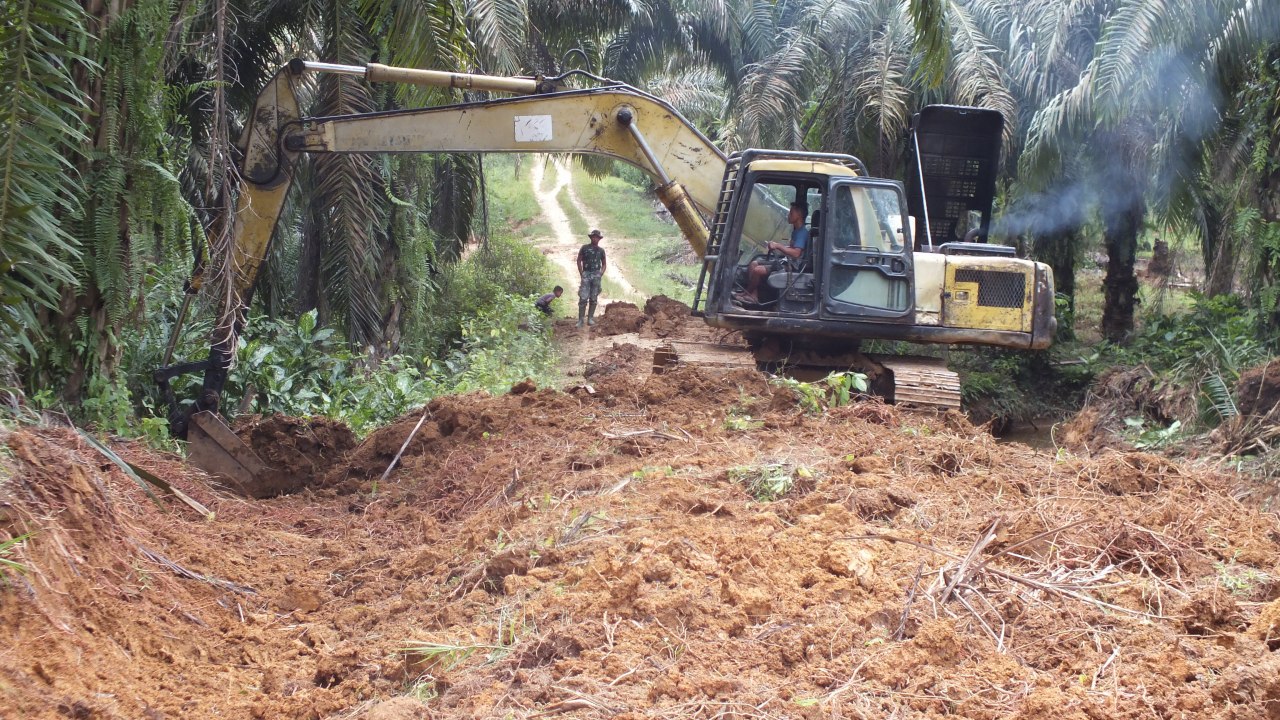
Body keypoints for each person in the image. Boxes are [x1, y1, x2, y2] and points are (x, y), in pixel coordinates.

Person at [736, 201, 809, 305]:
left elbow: (796, 253)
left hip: (791, 266)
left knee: (757, 270)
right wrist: (777, 246)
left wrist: (778, 246)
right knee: (753, 264)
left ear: (799, 214)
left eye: (791, 213)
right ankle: (752, 295)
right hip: (786, 262)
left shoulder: (802, 232)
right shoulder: (796, 231)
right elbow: (795, 248)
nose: (788, 215)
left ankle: (747, 293)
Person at [576, 229, 607, 327]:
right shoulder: (584, 248)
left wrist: (600, 274)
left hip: (596, 276)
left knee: (593, 298)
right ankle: (580, 320)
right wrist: (582, 273)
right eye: (593, 237)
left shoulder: (601, 250)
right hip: (586, 274)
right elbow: (579, 260)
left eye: (597, 237)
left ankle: (590, 318)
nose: (595, 239)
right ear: (591, 238)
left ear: (599, 239)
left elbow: (604, 264)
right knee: (583, 297)